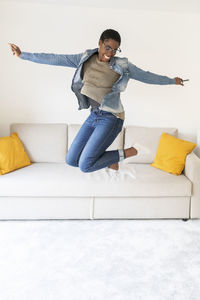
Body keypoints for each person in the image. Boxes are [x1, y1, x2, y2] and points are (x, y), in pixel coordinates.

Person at [8, 29, 184, 173]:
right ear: (99, 43)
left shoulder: (122, 65)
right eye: (108, 47)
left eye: (115, 50)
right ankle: (111, 161)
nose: (111, 53)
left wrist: (171, 80)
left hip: (112, 117)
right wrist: (23, 55)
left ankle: (130, 152)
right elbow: (56, 58)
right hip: (94, 116)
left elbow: (147, 76)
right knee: (71, 160)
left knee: (85, 165)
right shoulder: (85, 58)